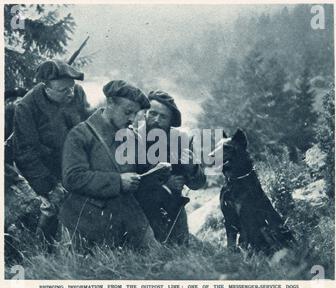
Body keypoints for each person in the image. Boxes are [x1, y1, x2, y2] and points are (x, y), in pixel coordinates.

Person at [59, 80, 160, 250]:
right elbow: (72, 178)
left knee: (154, 263)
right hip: (87, 222)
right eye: (128, 112)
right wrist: (118, 181)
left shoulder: (133, 137)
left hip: (130, 218)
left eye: (136, 114)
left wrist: (157, 172)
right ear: (110, 103)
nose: (132, 119)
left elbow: (141, 173)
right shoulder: (80, 134)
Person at [13, 60, 91, 243]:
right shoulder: (26, 107)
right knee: (51, 213)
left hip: (77, 163)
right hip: (45, 172)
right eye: (64, 90)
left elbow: (88, 127)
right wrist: (49, 186)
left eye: (72, 87)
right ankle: (42, 248)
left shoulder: (77, 93)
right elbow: (26, 154)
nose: (71, 93)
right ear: (46, 88)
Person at [135, 90, 206, 245]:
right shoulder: (133, 136)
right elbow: (126, 182)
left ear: (171, 120)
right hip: (139, 211)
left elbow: (198, 183)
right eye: (152, 113)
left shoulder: (180, 140)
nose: (156, 120)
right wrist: (164, 187)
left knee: (179, 252)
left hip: (173, 212)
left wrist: (191, 167)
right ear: (145, 113)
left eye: (163, 117)